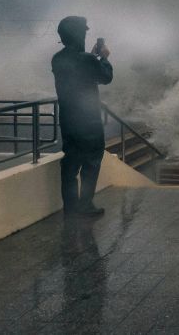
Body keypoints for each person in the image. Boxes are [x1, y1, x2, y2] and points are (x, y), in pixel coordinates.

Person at [52, 16, 112, 217]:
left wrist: (91, 57)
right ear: (78, 34)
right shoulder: (86, 59)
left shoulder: (58, 59)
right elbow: (105, 77)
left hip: (68, 121)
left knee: (70, 166)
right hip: (89, 122)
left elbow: (78, 71)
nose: (86, 35)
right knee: (91, 164)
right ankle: (85, 205)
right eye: (84, 32)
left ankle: (70, 208)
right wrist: (103, 57)